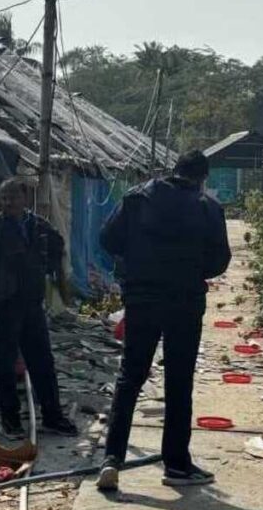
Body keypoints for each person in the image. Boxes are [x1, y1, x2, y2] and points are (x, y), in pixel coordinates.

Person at [96, 150, 231, 489]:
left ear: (174, 170)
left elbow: (108, 239)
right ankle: (177, 465)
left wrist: (138, 262)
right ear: (203, 178)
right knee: (178, 381)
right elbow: (219, 261)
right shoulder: (208, 207)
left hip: (142, 299)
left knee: (130, 377)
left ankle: (112, 458)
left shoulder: (138, 197)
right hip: (184, 302)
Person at [0, 177, 79, 440]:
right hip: (3, 308)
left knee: (43, 362)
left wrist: (53, 270)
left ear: (24, 198)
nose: (7, 202)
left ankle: (52, 417)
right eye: (3, 197)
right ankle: (11, 421)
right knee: (5, 366)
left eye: (13, 197)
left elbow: (57, 247)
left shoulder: (39, 227)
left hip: (32, 306)